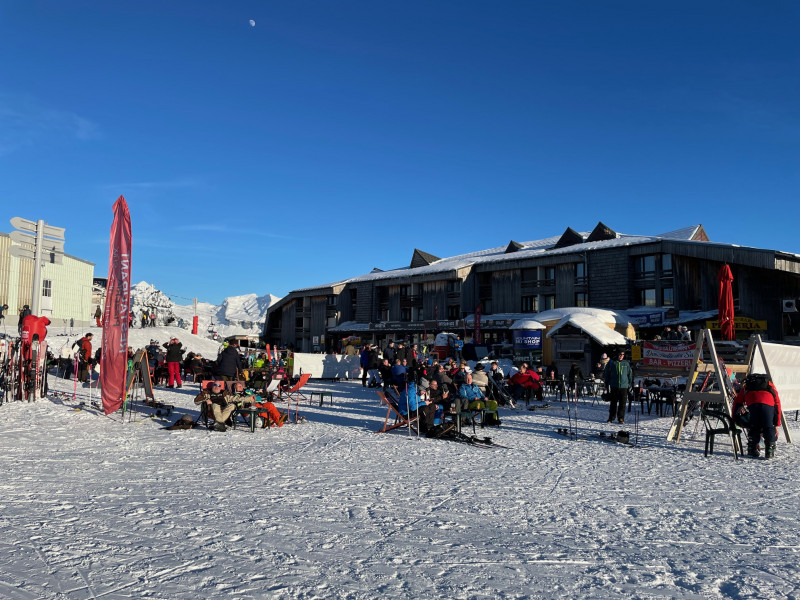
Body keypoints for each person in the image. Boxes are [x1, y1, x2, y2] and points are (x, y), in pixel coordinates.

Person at [732, 374, 783, 459]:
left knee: (754, 426)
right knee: (768, 426)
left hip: (752, 402)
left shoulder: (747, 386)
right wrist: (776, 424)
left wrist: (734, 418)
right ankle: (769, 450)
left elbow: (737, 402)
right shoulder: (770, 385)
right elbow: (777, 404)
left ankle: (752, 448)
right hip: (768, 402)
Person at [604, 349, 633, 424]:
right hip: (614, 385)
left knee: (622, 404)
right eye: (620, 354)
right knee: (613, 403)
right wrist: (606, 383)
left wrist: (630, 383)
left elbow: (630, 374)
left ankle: (621, 418)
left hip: (624, 386)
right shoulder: (612, 363)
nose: (621, 356)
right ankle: (611, 417)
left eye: (623, 355)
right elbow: (607, 373)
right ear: (617, 355)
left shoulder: (626, 363)